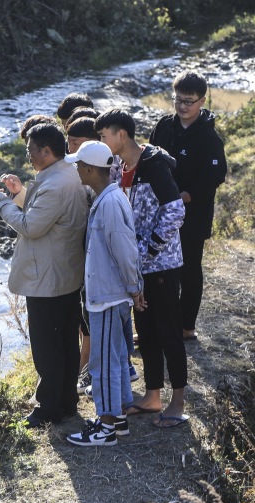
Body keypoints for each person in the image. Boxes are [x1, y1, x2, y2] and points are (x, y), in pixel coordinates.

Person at [0, 121, 88, 428]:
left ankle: (48, 407)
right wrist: (20, 194)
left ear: (47, 151)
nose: (29, 155)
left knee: (47, 347)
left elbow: (31, 226)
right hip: (66, 273)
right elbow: (44, 215)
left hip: (47, 277)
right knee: (66, 344)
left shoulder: (55, 183)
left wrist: (3, 203)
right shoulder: (66, 175)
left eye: (31, 150)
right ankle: (66, 401)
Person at [96, 109, 189, 428]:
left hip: (161, 265)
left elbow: (175, 211)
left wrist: (149, 248)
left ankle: (177, 401)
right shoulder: (117, 167)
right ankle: (152, 396)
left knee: (169, 333)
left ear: (121, 135)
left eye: (104, 135)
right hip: (137, 268)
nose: (102, 141)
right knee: (146, 333)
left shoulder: (153, 165)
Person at [64, 141, 144, 447]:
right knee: (115, 357)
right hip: (108, 294)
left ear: (89, 169)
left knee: (104, 362)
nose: (75, 169)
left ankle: (106, 426)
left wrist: (135, 288)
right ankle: (118, 419)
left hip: (109, 296)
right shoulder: (108, 197)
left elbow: (125, 250)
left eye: (78, 165)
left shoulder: (109, 203)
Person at [147, 70, 228, 341]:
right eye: (178, 99)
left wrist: (181, 197)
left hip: (192, 215)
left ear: (202, 101)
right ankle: (158, 323)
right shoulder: (164, 126)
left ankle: (186, 326)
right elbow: (148, 157)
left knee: (189, 269)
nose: (182, 106)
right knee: (157, 268)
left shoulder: (210, 139)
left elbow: (214, 178)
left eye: (189, 101)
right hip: (159, 212)